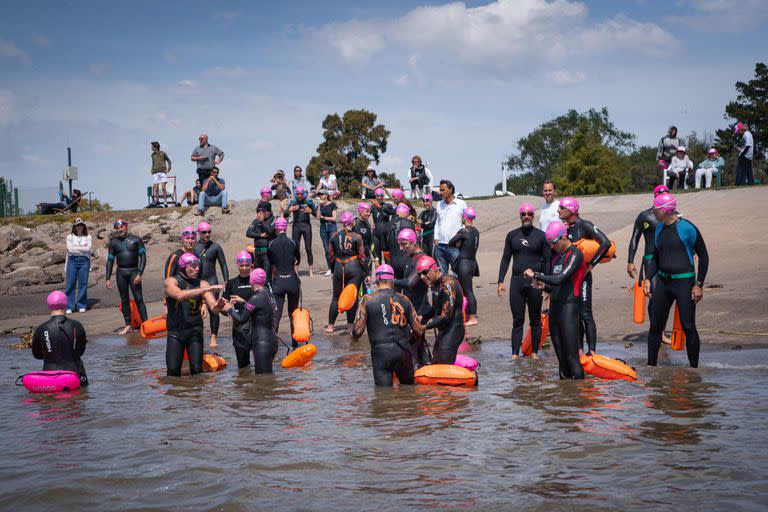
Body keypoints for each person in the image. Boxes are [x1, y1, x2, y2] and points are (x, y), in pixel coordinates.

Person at [645, 193, 708, 368]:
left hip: (684, 283)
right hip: (663, 283)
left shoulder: (687, 228)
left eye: (655, 208)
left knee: (688, 326)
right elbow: (656, 257)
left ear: (665, 210)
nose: (653, 211)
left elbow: (703, 256)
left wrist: (699, 284)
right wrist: (648, 278)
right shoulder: (659, 228)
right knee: (655, 327)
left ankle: (694, 369)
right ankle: (651, 367)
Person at [524, 221, 585, 380]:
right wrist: (543, 286)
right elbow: (555, 287)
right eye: (549, 243)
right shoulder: (558, 257)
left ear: (563, 237)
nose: (552, 247)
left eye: (553, 243)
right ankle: (565, 400)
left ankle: (580, 400)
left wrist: (536, 274)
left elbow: (560, 278)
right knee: (562, 361)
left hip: (569, 310)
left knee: (572, 359)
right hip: (555, 311)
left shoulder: (575, 254)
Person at [352, 264, 425, 386]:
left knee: (383, 397)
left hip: (381, 353)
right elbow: (418, 330)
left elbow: (357, 332)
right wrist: (408, 341)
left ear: (377, 281)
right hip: (403, 351)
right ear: (392, 281)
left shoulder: (367, 300)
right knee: (409, 390)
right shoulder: (405, 299)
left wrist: (355, 337)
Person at [497, 203, 551, 359]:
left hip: (535, 283)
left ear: (533, 216)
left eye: (529, 214)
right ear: (520, 216)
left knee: (535, 319)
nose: (526, 216)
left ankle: (534, 353)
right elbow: (506, 259)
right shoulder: (512, 235)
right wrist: (500, 281)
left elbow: (547, 260)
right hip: (517, 282)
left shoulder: (541, 236)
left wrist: (546, 285)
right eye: (523, 214)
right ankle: (514, 354)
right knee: (517, 320)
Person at [558, 197, 611, 353]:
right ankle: (580, 350)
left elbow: (605, 243)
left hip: (583, 277)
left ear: (572, 209)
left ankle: (592, 352)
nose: (558, 210)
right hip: (567, 277)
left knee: (585, 314)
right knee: (574, 314)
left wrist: (591, 265)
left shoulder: (585, 225)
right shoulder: (562, 228)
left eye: (562, 207)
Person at [164, 252, 226, 377]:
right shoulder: (171, 281)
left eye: (198, 265)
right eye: (193, 266)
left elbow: (213, 309)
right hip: (175, 333)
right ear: (183, 266)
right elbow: (179, 295)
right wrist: (205, 290)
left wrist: (219, 304)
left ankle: (197, 395)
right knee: (172, 373)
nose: (197, 268)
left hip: (195, 332)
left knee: (197, 372)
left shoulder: (203, 283)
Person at [627, 185, 671, 344]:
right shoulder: (644, 216)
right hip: (650, 259)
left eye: (666, 195)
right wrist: (630, 261)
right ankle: (657, 332)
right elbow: (634, 239)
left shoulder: (673, 215)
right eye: (661, 195)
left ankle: (660, 330)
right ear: (655, 197)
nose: (663, 197)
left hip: (668, 259)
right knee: (654, 295)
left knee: (665, 295)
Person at [222, 268, 279, 374]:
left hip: (261, 343)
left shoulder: (255, 298)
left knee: (262, 380)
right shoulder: (267, 293)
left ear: (252, 281)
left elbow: (241, 319)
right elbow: (260, 308)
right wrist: (244, 302)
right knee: (268, 378)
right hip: (272, 340)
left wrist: (229, 309)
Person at [32, 291, 89, 385]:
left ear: (49, 306)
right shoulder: (77, 326)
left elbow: (37, 355)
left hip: (51, 377)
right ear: (66, 305)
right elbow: (81, 352)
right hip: (75, 375)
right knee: (79, 397)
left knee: (52, 399)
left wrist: (50, 353)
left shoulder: (41, 329)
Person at [393, 229, 431, 366]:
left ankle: (413, 378)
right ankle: (425, 372)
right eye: (399, 244)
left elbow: (410, 283)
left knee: (412, 346)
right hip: (413, 308)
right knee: (419, 346)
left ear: (413, 241)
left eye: (404, 244)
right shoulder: (411, 258)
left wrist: (390, 281)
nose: (401, 248)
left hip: (420, 310)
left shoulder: (420, 258)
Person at [325, 212, 368, 334]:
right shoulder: (357, 236)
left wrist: (333, 270)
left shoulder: (334, 236)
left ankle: (330, 326)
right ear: (352, 222)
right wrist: (368, 273)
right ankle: (350, 327)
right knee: (352, 297)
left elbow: (331, 256)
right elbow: (362, 256)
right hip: (354, 268)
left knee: (335, 297)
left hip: (339, 267)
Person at [418, 255, 465, 364]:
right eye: (419, 274)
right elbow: (436, 309)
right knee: (435, 363)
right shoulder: (434, 283)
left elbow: (446, 316)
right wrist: (422, 317)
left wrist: (425, 327)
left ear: (435, 269)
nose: (422, 277)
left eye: (425, 272)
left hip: (454, 330)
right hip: (443, 331)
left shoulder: (448, 284)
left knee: (444, 366)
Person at [105, 219, 147, 335]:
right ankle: (128, 325)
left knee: (139, 299)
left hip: (134, 272)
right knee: (124, 300)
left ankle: (145, 324)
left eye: (122, 227)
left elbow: (143, 257)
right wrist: (107, 278)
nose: (120, 229)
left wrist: (140, 274)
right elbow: (110, 261)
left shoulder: (136, 240)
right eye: (117, 228)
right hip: (121, 273)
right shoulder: (113, 243)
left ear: (126, 226)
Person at [267, 217, 302, 347]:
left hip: (278, 282)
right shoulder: (293, 243)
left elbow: (271, 262)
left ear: (276, 228)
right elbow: (298, 259)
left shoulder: (271, 244)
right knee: (293, 313)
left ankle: (273, 344)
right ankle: (295, 344)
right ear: (286, 227)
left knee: (277, 314)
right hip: (292, 281)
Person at [193, 221, 229, 348]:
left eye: (209, 232)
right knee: (196, 311)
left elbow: (223, 265)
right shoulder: (194, 247)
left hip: (212, 281)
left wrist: (226, 282)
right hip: (197, 283)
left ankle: (213, 337)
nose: (207, 234)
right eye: (204, 232)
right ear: (199, 233)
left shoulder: (216, 247)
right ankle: (198, 336)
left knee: (214, 311)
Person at [222, 251, 257, 368]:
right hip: (239, 326)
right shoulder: (231, 283)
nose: (244, 268)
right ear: (237, 265)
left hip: (256, 324)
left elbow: (264, 303)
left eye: (247, 265)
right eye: (241, 265)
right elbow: (223, 305)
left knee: (260, 365)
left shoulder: (256, 281)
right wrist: (228, 311)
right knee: (243, 367)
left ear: (251, 265)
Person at [449, 207, 480, 326]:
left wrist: (458, 243)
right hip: (472, 263)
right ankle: (466, 315)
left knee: (467, 291)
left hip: (464, 263)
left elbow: (451, 242)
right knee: (467, 290)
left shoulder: (463, 231)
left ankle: (472, 317)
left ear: (465, 217)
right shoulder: (476, 231)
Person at [433, 179, 467, 274]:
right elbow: (437, 222)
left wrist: (461, 239)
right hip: (440, 246)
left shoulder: (461, 204)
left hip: (454, 246)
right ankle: (445, 289)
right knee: (442, 275)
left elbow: (465, 223)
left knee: (457, 273)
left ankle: (457, 289)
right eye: (440, 190)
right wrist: (436, 238)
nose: (441, 192)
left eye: (443, 190)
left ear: (451, 189)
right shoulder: (439, 204)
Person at [285, 186, 317, 278]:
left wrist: (309, 211)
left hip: (307, 226)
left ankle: (310, 271)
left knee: (308, 248)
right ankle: (296, 271)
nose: (299, 196)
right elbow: (285, 214)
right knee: (296, 249)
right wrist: (290, 210)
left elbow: (316, 214)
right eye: (298, 194)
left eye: (301, 194)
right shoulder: (293, 202)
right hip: (296, 226)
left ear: (304, 194)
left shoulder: (309, 201)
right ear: (296, 194)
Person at [65, 218, 92, 313]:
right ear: (75, 227)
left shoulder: (88, 236)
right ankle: (69, 306)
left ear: (83, 226)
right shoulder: (70, 237)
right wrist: (81, 248)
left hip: (84, 261)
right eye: (77, 225)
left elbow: (88, 249)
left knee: (83, 284)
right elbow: (70, 250)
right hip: (72, 261)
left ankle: (81, 304)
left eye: (81, 225)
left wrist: (76, 247)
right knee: (70, 284)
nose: (79, 227)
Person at [385, 203, 416, 279]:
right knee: (407, 288)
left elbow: (384, 247)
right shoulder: (409, 223)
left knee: (396, 287)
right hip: (406, 261)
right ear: (406, 213)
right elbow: (414, 244)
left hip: (392, 262)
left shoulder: (387, 225)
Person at [246, 202, 277, 278]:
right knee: (257, 276)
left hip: (267, 253)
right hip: (257, 252)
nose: (260, 214)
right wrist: (260, 235)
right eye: (259, 212)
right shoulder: (256, 221)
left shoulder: (274, 219)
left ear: (268, 211)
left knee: (267, 276)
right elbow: (248, 233)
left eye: (262, 211)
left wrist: (262, 221)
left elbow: (270, 230)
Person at [316, 190, 338, 276]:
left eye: (322, 194)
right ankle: (330, 268)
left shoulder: (332, 205)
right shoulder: (320, 206)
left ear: (326, 195)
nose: (320, 196)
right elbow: (318, 217)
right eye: (320, 195)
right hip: (323, 228)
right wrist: (318, 206)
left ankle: (336, 267)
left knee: (333, 247)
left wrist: (324, 217)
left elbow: (334, 218)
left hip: (332, 227)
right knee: (326, 249)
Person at [371, 188, 393, 265]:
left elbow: (386, 215)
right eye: (377, 195)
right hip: (376, 234)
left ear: (383, 196)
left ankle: (388, 274)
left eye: (381, 195)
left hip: (385, 234)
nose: (379, 197)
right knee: (377, 257)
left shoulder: (388, 206)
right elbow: (364, 215)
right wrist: (369, 225)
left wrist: (379, 207)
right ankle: (379, 275)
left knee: (387, 257)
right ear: (375, 196)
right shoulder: (372, 207)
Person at [353, 202, 374, 273]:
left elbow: (370, 241)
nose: (369, 214)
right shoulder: (354, 222)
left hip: (366, 253)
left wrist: (375, 256)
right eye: (367, 211)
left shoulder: (367, 223)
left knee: (368, 277)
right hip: (355, 254)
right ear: (360, 211)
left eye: (370, 212)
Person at [150, 141, 172, 207]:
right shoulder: (152, 155)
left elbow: (169, 160)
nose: (151, 148)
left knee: (163, 188)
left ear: (155, 147)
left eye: (152, 146)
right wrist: (152, 170)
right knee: (156, 187)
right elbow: (153, 163)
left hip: (162, 172)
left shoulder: (163, 153)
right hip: (155, 172)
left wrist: (169, 168)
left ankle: (165, 202)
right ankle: (157, 201)